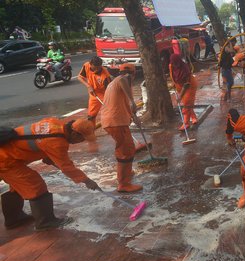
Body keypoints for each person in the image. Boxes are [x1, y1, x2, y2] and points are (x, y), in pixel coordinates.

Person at [0, 118, 100, 231]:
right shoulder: (57, 142)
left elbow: (39, 141)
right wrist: (87, 181)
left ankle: (14, 219)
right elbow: (67, 166)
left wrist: (50, 158)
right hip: (5, 160)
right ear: (73, 133)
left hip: (8, 155)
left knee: (18, 186)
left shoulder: (54, 123)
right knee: (35, 185)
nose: (81, 142)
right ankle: (45, 222)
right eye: (81, 138)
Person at [101, 63, 142, 193]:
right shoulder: (123, 80)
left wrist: (133, 116)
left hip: (114, 121)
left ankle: (126, 173)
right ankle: (124, 183)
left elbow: (122, 104)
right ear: (133, 74)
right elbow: (125, 80)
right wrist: (133, 102)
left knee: (124, 149)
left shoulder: (115, 82)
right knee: (127, 151)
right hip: (116, 122)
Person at [78, 56, 112, 125]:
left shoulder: (105, 76)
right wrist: (88, 86)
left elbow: (110, 91)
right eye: (94, 68)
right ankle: (91, 130)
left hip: (104, 94)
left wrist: (109, 101)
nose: (96, 70)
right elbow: (80, 77)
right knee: (91, 115)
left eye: (98, 68)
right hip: (93, 94)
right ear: (90, 64)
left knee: (111, 111)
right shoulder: (86, 66)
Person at [170, 54, 198, 131]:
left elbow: (186, 84)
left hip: (189, 86)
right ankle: (193, 117)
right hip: (179, 86)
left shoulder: (185, 68)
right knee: (187, 103)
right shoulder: (171, 65)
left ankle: (186, 123)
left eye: (176, 63)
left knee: (187, 104)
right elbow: (172, 74)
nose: (175, 65)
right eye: (173, 63)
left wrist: (180, 96)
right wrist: (173, 82)